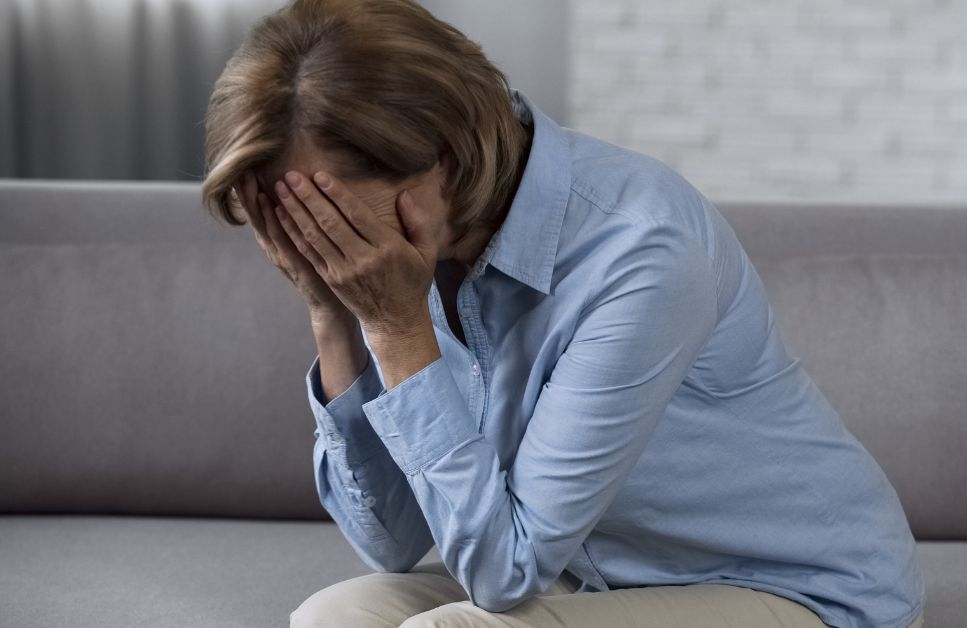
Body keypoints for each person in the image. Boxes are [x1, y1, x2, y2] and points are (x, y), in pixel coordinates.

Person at [199, 1, 926, 626]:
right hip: (595, 574)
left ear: (441, 164)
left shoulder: (640, 250)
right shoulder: (401, 254)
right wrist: (332, 315)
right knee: (331, 616)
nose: (317, 244)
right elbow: (390, 540)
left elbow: (503, 575)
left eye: (326, 217)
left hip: (802, 592)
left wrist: (396, 328)